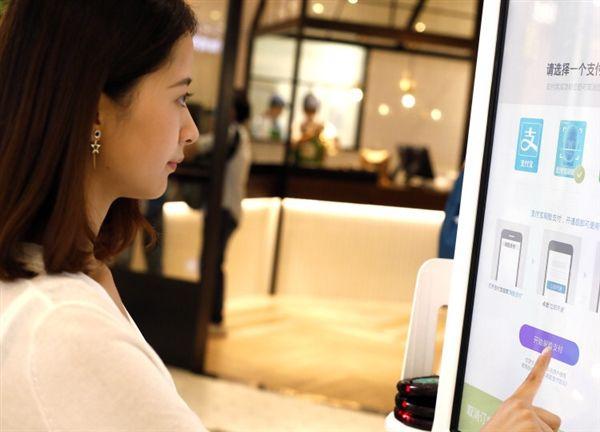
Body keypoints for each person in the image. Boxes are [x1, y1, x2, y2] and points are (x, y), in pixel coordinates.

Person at [0, 1, 206, 430]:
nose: (191, 131)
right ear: (96, 110)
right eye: (179, 97)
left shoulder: (47, 293)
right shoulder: (63, 325)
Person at [190, 90, 252, 332]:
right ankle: (212, 316)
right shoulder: (241, 135)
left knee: (211, 262)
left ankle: (212, 318)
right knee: (214, 261)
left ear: (232, 110)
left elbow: (195, 149)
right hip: (229, 208)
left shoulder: (230, 134)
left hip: (223, 208)